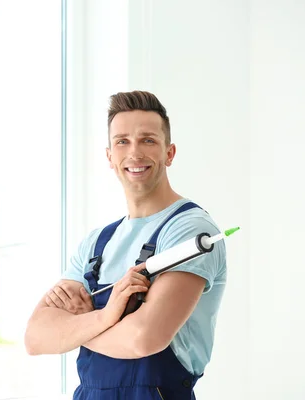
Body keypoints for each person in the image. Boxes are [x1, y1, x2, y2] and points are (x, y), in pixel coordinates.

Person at [24, 91, 227, 399]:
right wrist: (106, 317)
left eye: (148, 140)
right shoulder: (96, 243)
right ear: (110, 157)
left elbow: (143, 339)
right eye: (122, 141)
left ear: (169, 153)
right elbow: (36, 338)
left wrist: (78, 325)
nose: (134, 153)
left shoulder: (189, 232)